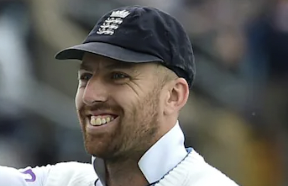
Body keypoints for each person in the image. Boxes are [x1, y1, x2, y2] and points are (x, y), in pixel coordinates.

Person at [0, 5, 239, 186]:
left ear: (174, 96)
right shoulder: (67, 179)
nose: (91, 96)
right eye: (85, 77)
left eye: (118, 77)